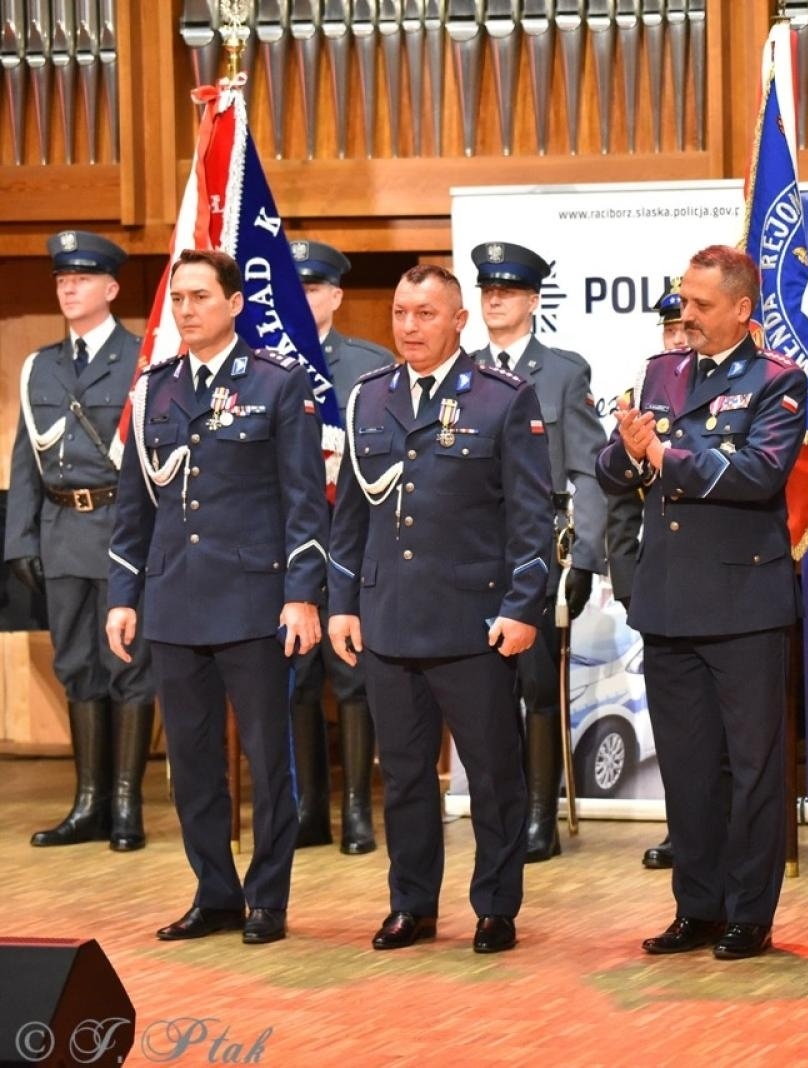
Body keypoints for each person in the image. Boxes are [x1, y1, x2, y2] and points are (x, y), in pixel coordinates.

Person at [328, 264, 552, 955]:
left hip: (473, 624)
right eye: (400, 313)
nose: (409, 327)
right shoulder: (368, 397)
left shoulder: (501, 398)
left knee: (491, 776)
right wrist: (341, 605)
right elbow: (349, 520)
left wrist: (522, 606)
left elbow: (530, 518)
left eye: (425, 314)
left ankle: (494, 905)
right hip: (388, 620)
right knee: (402, 777)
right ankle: (411, 904)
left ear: (459, 320)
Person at [107, 248, 327, 945]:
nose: (187, 309)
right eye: (178, 299)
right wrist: (123, 594)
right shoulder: (156, 389)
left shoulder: (276, 384)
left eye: (200, 296)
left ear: (234, 304)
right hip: (174, 601)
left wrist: (301, 594)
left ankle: (268, 898)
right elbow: (134, 506)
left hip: (253, 600)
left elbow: (303, 502)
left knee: (268, 760)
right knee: (192, 762)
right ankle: (215, 892)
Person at [596, 244, 806, 961]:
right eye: (683, 300)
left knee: (751, 768)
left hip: (744, 601)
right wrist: (628, 451)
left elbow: (759, 473)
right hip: (669, 600)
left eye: (702, 304)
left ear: (743, 310)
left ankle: (750, 912)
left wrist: (662, 458)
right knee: (686, 767)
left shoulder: (778, 380)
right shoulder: (660, 371)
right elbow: (611, 467)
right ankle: (698, 905)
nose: (686, 314)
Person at [7, 231, 157, 852]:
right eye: (62, 280)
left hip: (121, 530)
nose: (69, 287)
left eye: (82, 279)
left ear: (111, 288)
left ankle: (125, 805)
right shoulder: (40, 365)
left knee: (129, 665)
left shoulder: (140, 358)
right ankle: (88, 803)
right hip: (62, 531)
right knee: (77, 666)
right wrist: (19, 541)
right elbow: (24, 460)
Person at [465, 240, 605, 863]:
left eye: (509, 291)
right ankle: (503, 809)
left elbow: (590, 470)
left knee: (537, 688)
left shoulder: (562, 371)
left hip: (536, 545)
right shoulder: (462, 370)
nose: (496, 299)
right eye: (488, 290)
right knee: (481, 688)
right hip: (469, 550)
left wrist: (588, 557)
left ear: (531, 300)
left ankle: (540, 819)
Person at [285, 237, 394, 854]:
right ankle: (310, 809)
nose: (302, 300)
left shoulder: (368, 364)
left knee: (350, 674)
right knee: (298, 674)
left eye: (312, 288)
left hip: (353, 537)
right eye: (291, 290)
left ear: (335, 295)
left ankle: (356, 807)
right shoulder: (267, 361)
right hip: (291, 542)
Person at [608, 282, 689, 872]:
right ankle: (683, 828)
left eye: (687, 325)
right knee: (675, 726)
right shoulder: (643, 395)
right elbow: (617, 501)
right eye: (670, 328)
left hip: (722, 580)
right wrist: (629, 580)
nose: (678, 337)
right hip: (656, 582)